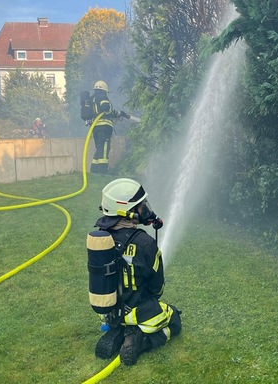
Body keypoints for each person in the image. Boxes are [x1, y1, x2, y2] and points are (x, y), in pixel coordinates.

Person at [87, 178, 182, 365]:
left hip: (109, 310)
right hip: (138, 312)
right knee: (174, 319)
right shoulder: (145, 244)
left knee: (124, 319)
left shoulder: (101, 239)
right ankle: (142, 341)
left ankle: (118, 331)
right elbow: (157, 288)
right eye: (140, 207)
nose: (144, 210)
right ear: (125, 211)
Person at [89, 80, 128, 173]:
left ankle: (94, 169)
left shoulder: (92, 99)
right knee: (104, 147)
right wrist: (118, 113)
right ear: (104, 90)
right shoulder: (102, 96)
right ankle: (103, 169)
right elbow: (106, 108)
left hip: (95, 127)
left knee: (99, 147)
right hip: (104, 126)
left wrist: (117, 114)